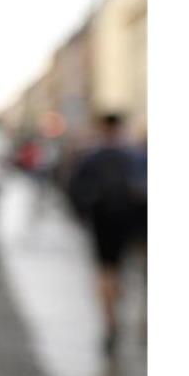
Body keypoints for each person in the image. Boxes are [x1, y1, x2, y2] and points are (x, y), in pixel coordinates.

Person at [67, 113, 142, 356]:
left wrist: (83, 214)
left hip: (103, 222)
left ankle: (111, 321)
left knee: (106, 272)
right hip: (132, 223)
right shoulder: (134, 157)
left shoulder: (92, 160)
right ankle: (129, 316)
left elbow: (74, 191)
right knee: (129, 272)